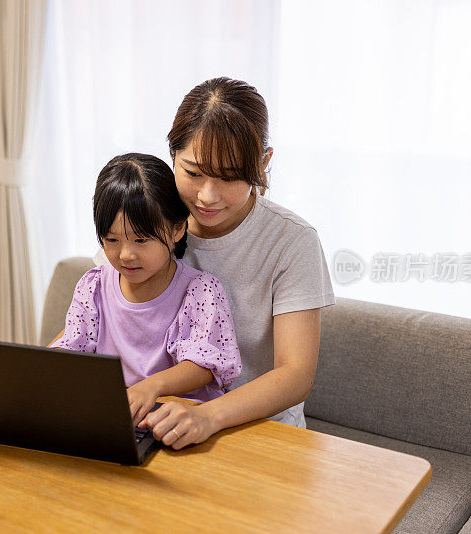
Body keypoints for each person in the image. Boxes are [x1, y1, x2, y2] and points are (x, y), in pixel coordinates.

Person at [137, 77, 336, 449]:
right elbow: (97, 309)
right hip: (157, 424)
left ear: (263, 162)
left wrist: (207, 416)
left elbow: (295, 375)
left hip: (260, 432)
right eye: (193, 173)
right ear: (172, 157)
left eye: (229, 177)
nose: (207, 197)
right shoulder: (145, 222)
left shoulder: (291, 241)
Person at [51, 152, 242, 426]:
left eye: (141, 239)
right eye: (112, 239)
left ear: (177, 229)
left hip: (180, 421)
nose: (126, 254)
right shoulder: (93, 285)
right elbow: (74, 346)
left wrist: (150, 387)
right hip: (115, 418)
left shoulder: (199, 290)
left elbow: (205, 365)